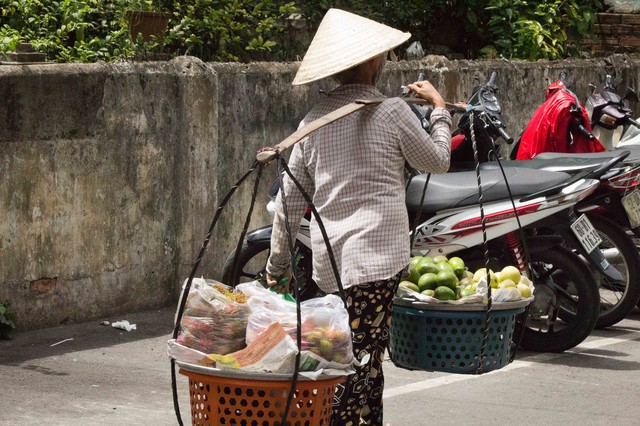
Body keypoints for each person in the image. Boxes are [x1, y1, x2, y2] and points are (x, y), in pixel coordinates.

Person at [264, 8, 452, 426]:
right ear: (368, 63)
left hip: (331, 270)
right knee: (357, 367)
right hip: (378, 265)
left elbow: (289, 204)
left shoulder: (312, 123)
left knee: (354, 362)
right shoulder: (392, 112)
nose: (384, 60)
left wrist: (275, 267)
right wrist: (439, 108)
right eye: (380, 55)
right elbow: (438, 159)